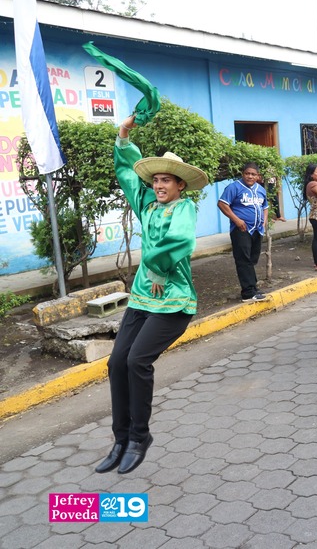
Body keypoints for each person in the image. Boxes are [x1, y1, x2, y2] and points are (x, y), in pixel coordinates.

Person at [95, 115, 207, 475]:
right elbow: (129, 174)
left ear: (179, 186)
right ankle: (120, 438)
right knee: (115, 364)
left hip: (174, 300)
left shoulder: (184, 208)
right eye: (156, 179)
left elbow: (181, 241)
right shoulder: (147, 205)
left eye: (166, 180)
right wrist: (124, 135)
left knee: (136, 362)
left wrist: (158, 267)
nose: (159, 184)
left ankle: (140, 437)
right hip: (142, 297)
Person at [218, 162, 268, 302]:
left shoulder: (260, 189)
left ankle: (253, 287)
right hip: (241, 229)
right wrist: (236, 220)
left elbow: (265, 206)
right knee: (243, 259)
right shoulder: (234, 187)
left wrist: (264, 221)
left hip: (257, 230)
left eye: (253, 174)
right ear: (243, 174)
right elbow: (222, 204)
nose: (250, 176)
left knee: (252, 259)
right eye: (247, 173)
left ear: (258, 176)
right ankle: (248, 293)